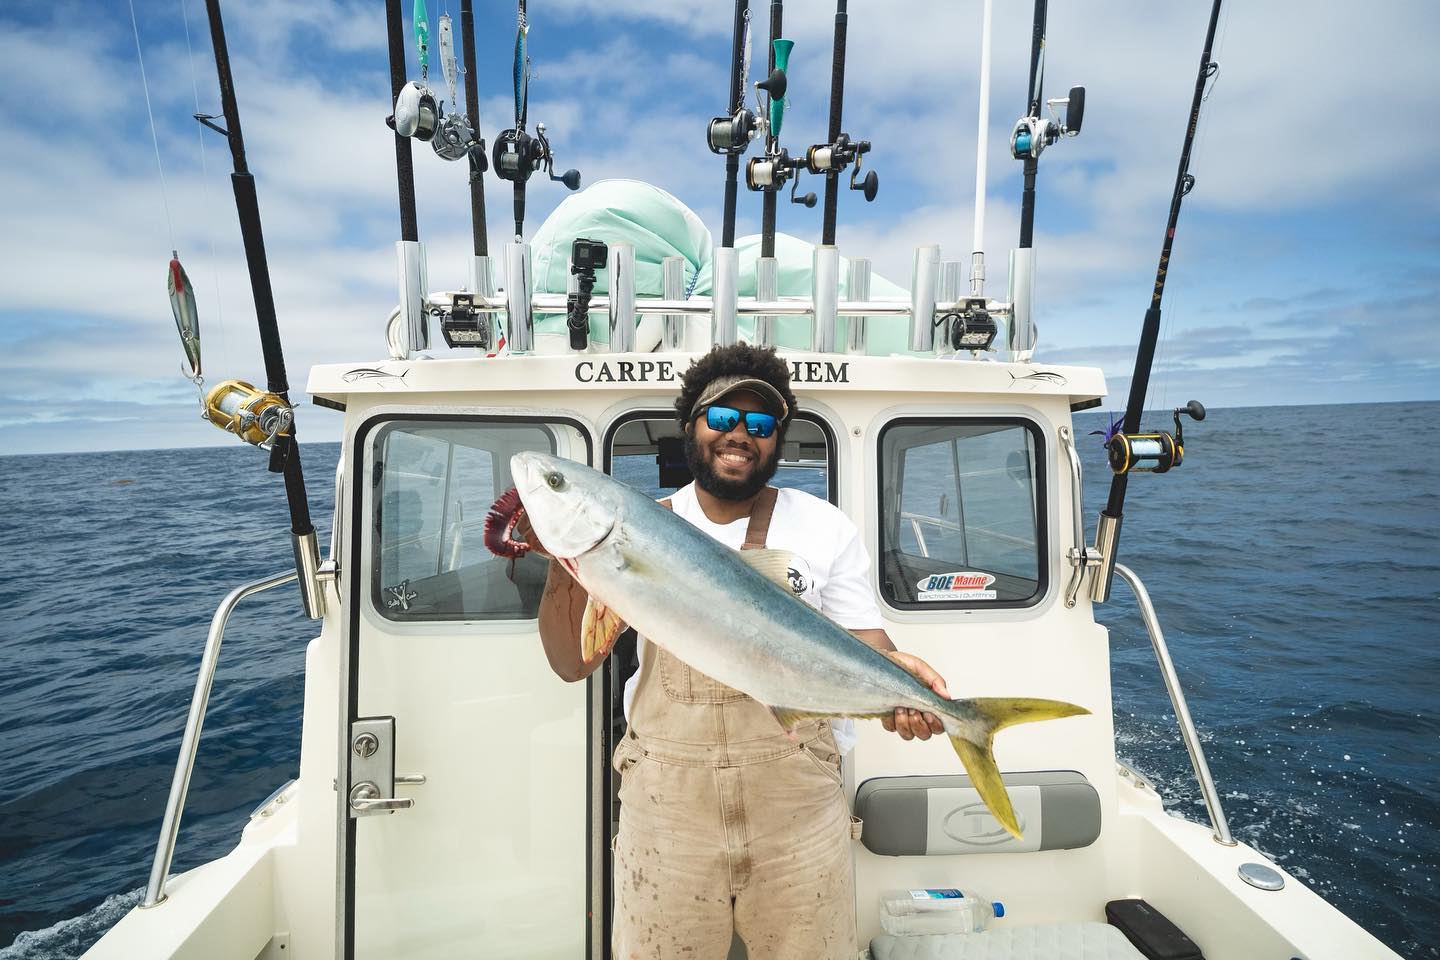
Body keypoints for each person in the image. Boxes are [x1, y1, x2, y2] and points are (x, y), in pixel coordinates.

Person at [526, 344, 950, 959]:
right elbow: (572, 663)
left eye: (759, 425)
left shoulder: (822, 526)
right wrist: (568, 565)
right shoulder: (638, 527)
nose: (739, 435)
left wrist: (901, 684)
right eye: (723, 417)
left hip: (797, 802)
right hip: (668, 808)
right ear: (691, 427)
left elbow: (867, 644)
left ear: (775, 440)